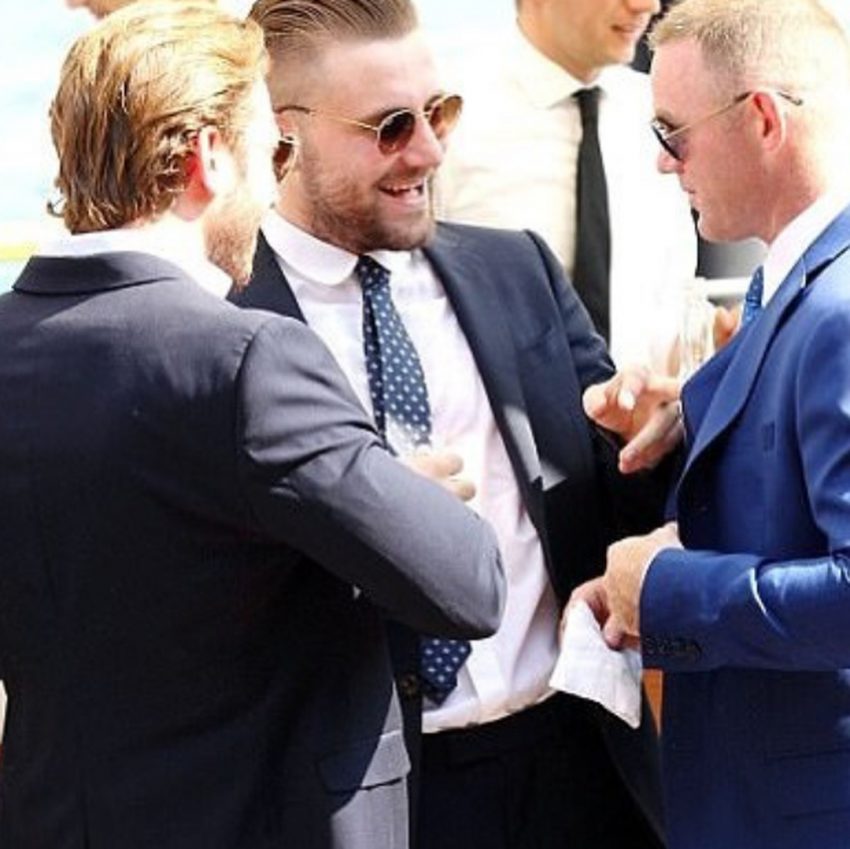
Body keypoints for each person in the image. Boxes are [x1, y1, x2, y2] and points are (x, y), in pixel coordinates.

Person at [0, 3, 507, 847]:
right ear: (209, 158)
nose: (276, 188)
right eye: (273, 152)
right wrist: (379, 495)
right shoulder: (248, 360)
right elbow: (469, 583)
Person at [234, 2, 674, 847]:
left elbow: (613, 501)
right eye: (391, 127)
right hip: (376, 795)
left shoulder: (517, 269)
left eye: (440, 112)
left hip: (578, 761)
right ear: (283, 138)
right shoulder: (224, 325)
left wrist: (645, 440)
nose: (431, 151)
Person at [573, 1, 850, 847]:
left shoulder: (838, 311)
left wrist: (663, 589)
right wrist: (691, 419)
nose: (664, 163)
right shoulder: (796, 286)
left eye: (672, 133)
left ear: (762, 118)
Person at [435, 0, 699, 372]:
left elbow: (665, 306)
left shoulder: (662, 113)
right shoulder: (446, 120)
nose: (647, 5)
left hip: (641, 404)